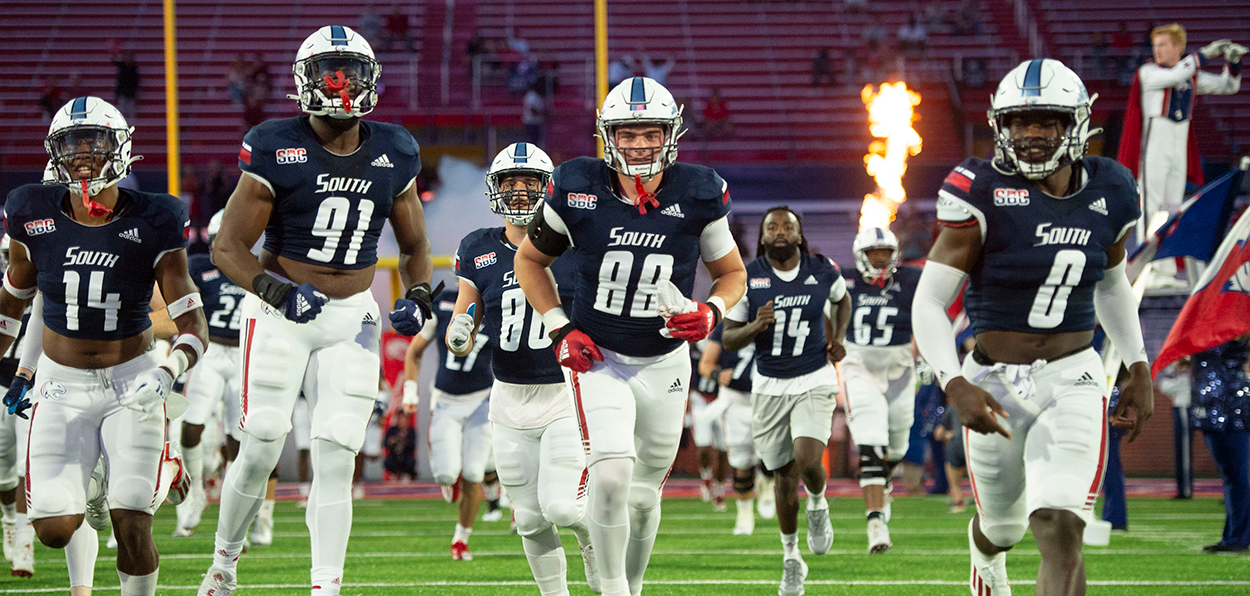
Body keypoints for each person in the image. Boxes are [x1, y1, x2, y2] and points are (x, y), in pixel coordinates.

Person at [196, 26, 434, 596]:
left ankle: (326, 584)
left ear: (370, 80)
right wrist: (276, 291)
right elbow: (226, 248)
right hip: (281, 312)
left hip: (352, 312)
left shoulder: (395, 148)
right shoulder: (276, 144)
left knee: (337, 450)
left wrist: (419, 296)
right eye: (330, 71)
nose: (341, 84)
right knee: (262, 439)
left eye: (350, 72)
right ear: (305, 82)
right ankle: (224, 562)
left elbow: (417, 248)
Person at [915, 59, 1153, 596]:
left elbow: (1111, 282)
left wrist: (1138, 364)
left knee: (1060, 523)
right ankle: (985, 555)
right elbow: (930, 301)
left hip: (1074, 375)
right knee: (1002, 527)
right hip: (994, 379)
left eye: (1047, 120)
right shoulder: (978, 188)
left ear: (1076, 124)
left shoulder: (1112, 186)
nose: (1031, 134)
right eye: (1020, 121)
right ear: (1001, 125)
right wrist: (955, 383)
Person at [514, 76, 747, 596]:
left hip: (666, 360)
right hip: (599, 358)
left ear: (670, 133)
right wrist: (560, 327)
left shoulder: (700, 191)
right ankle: (613, 591)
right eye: (627, 133)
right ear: (607, 136)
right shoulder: (575, 185)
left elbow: (732, 274)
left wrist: (711, 311)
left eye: (649, 132)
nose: (639, 143)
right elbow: (529, 260)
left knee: (643, 497)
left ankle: (630, 588)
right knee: (612, 475)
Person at [0, 95, 208, 596]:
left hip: (131, 378)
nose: (83, 154)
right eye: (71, 143)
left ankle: (161, 471)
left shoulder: (157, 217)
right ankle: (148, 471)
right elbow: (13, 301)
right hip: (59, 383)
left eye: (95, 141)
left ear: (120, 148)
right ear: (54, 151)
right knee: (52, 527)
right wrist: (8, 368)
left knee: (131, 517)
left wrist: (167, 372)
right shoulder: (31, 211)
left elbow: (191, 324)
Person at [449, 142, 600, 593]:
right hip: (508, 396)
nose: (517, 192)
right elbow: (466, 311)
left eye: (528, 182)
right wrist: (460, 331)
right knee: (531, 519)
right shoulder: (477, 247)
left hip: (563, 392)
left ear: (546, 186)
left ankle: (595, 543)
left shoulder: (574, 243)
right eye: (509, 183)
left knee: (563, 509)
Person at [721, 206, 851, 596]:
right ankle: (791, 558)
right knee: (782, 476)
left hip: (813, 377)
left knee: (809, 459)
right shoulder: (749, 277)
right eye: (772, 227)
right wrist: (757, 326)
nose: (780, 232)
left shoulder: (822, 267)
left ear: (799, 234)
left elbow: (842, 301)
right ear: (762, 237)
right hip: (769, 385)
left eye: (787, 226)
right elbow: (728, 338)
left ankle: (817, 504)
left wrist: (839, 337)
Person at [1118, 25, 1244, 249]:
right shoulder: (1148, 73)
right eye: (1155, 45)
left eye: (1163, 45)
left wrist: (1233, 63)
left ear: (1178, 47)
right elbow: (1176, 75)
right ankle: (1144, 262)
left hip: (1177, 149)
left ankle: (1162, 264)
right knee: (1150, 205)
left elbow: (1228, 86)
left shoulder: (1190, 75)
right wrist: (1205, 54)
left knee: (1173, 206)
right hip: (1154, 147)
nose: (1156, 50)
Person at [840, 227, 921, 554]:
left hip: (900, 369)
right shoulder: (843, 280)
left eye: (885, 252)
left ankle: (882, 485)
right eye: (874, 252)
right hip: (858, 367)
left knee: (897, 447)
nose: (880, 258)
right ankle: (876, 522)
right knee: (871, 443)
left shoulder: (912, 280)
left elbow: (930, 316)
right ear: (861, 254)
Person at [401, 288, 496, 560]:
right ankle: (449, 477)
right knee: (445, 474)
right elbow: (414, 351)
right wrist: (410, 391)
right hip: (445, 402)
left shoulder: (499, 303)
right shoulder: (442, 305)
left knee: (475, 473)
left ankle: (461, 539)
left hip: (481, 401)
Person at [173, 210, 247, 539]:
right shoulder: (200, 266)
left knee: (238, 436)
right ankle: (194, 492)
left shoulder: (253, 265)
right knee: (191, 424)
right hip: (211, 350)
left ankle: (234, 507)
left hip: (244, 355)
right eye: (217, 239)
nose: (222, 245)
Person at [698, 324, 768, 535]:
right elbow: (706, 364)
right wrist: (717, 374)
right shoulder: (727, 325)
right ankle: (744, 514)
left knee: (773, 454)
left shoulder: (773, 317)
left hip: (768, 397)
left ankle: (767, 483)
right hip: (735, 399)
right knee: (740, 459)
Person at [1189, 337, 1250, 553]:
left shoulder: (1237, 321)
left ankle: (1240, 538)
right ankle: (1233, 536)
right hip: (1210, 405)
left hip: (1232, 404)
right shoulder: (1206, 327)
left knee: (1237, 474)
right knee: (1230, 474)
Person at [382, 410, 417, 480]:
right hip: (394, 456)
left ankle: (407, 475)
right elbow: (385, 443)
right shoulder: (392, 430)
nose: (402, 421)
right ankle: (394, 475)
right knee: (388, 461)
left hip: (406, 456)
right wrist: (392, 441)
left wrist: (404, 440)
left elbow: (413, 445)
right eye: (400, 418)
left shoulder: (411, 431)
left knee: (410, 460)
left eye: (404, 419)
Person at [111, 50, 139, 120]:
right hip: (122, 91)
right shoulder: (122, 66)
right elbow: (114, 61)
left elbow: (136, 80)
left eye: (129, 56)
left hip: (131, 92)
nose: (127, 58)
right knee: (122, 109)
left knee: (131, 110)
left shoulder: (134, 68)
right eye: (126, 56)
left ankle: (132, 124)